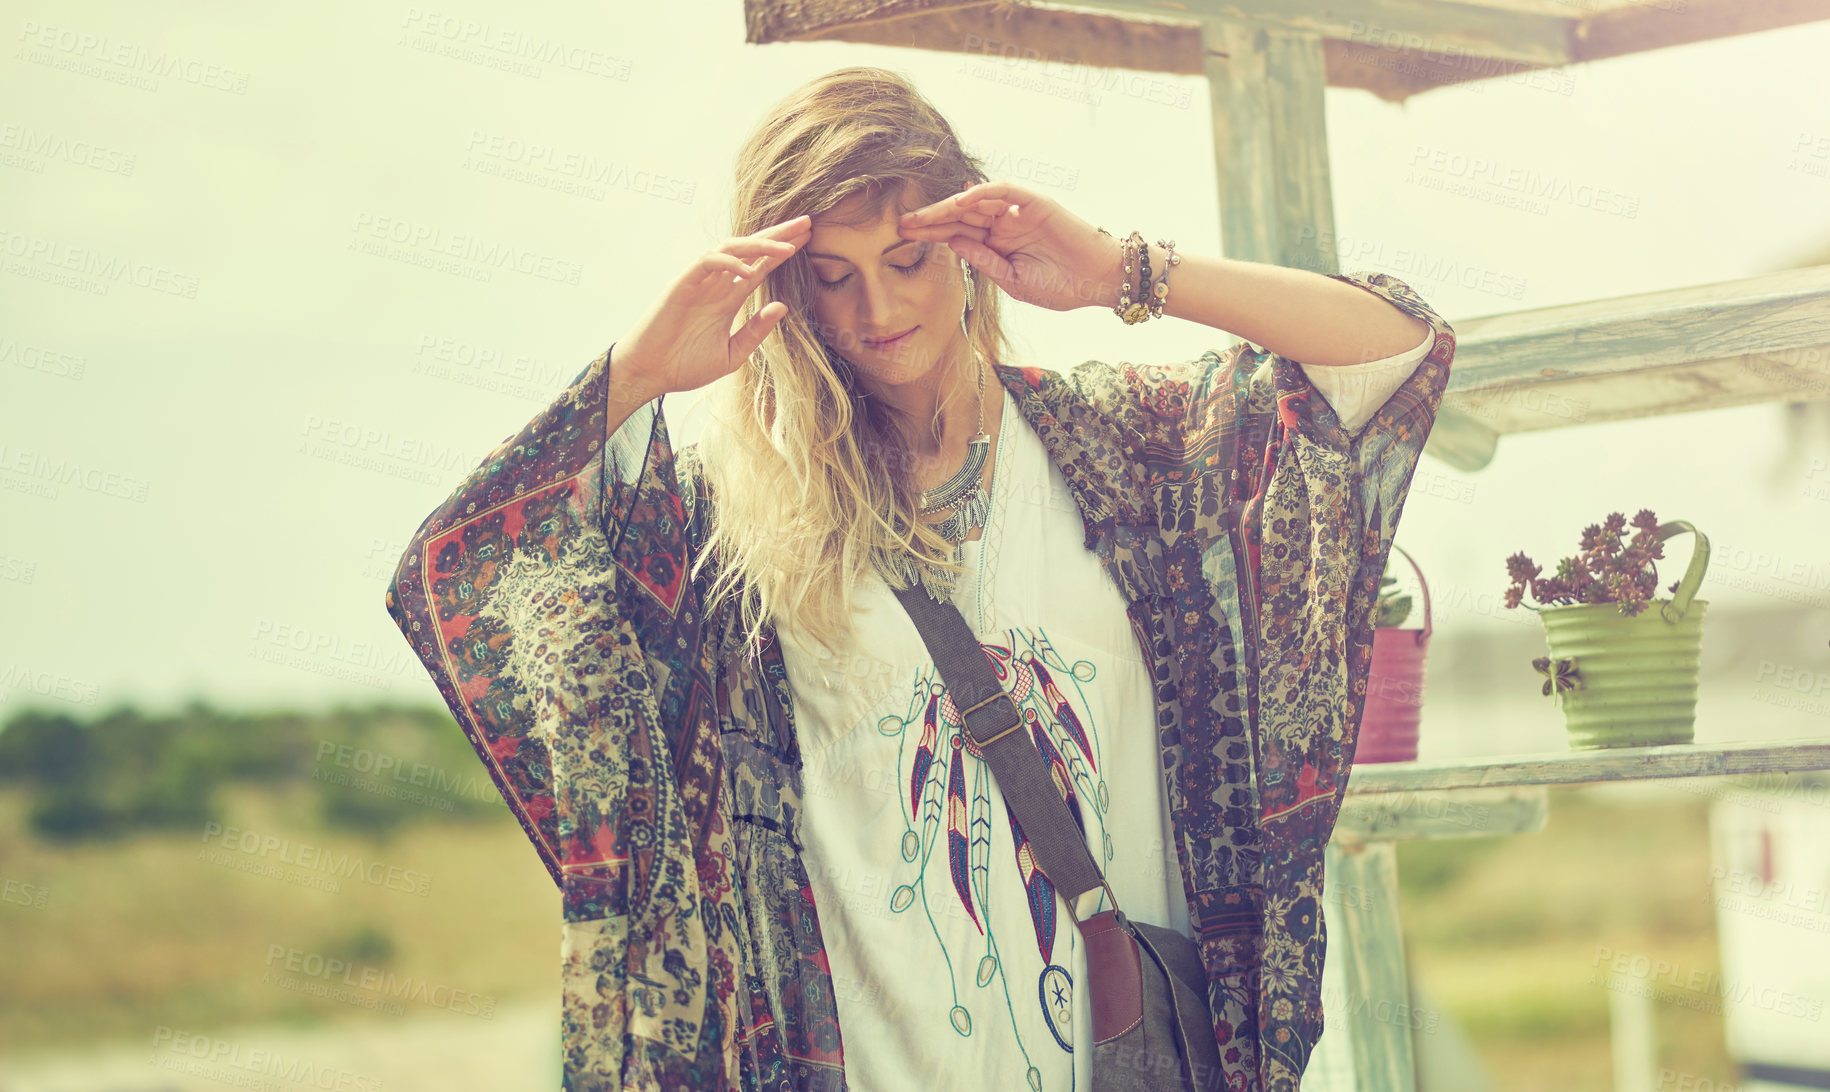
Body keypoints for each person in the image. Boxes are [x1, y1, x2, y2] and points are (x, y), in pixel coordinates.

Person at [382, 66, 1455, 1092]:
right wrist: (642, 373)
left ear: (968, 248)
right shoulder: (723, 527)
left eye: (906, 260)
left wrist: (1119, 273)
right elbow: (469, 563)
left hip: (1127, 1060)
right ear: (785, 289)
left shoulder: (1129, 448)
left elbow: (1390, 358)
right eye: (830, 277)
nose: (875, 311)